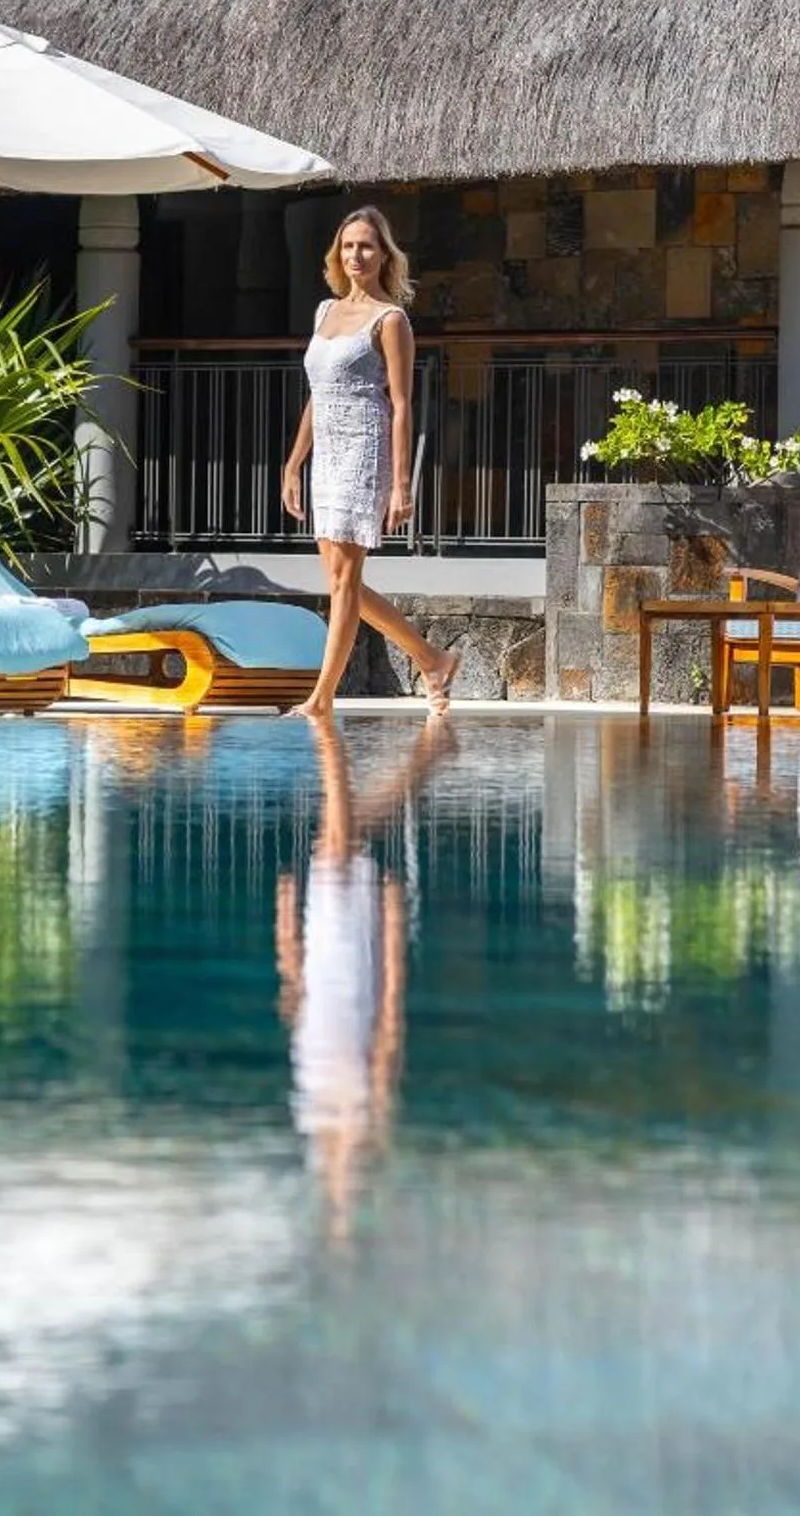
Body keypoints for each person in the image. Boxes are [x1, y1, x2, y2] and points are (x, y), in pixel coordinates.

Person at [276, 713, 451, 1243]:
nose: (342, 1166)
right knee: (336, 838)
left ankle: (367, 747)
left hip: (327, 949)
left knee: (336, 838)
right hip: (352, 948)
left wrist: (285, 929)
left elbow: (298, 1006)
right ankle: (330, 735)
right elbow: (391, 1008)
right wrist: (394, 918)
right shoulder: (373, 1108)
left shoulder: (311, 1115)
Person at [279, 206, 461, 716]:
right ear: (337, 254)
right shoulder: (325, 312)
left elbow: (402, 405)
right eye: (348, 246)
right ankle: (432, 659)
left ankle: (321, 699)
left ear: (384, 255)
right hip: (327, 454)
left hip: (364, 449)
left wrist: (402, 484)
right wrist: (294, 463)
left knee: (343, 580)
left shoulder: (391, 319)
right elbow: (319, 394)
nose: (356, 254)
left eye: (366, 246)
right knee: (341, 579)